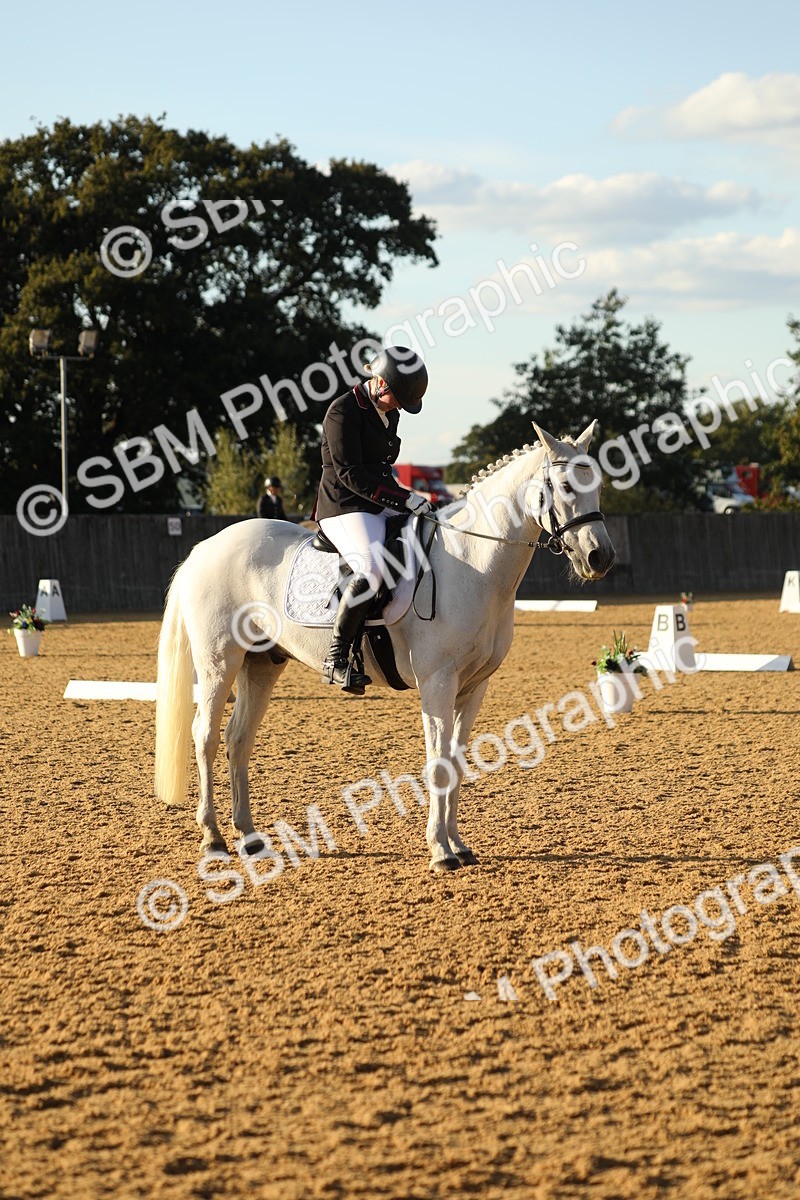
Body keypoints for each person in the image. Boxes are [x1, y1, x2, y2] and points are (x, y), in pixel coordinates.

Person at [315, 346, 433, 694]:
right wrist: (402, 498)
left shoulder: (388, 412)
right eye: (397, 398)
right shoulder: (342, 412)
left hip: (375, 499)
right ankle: (336, 657)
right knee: (371, 567)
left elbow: (381, 469)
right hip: (344, 505)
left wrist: (411, 500)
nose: (399, 408)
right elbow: (351, 474)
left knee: (426, 527)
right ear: (380, 382)